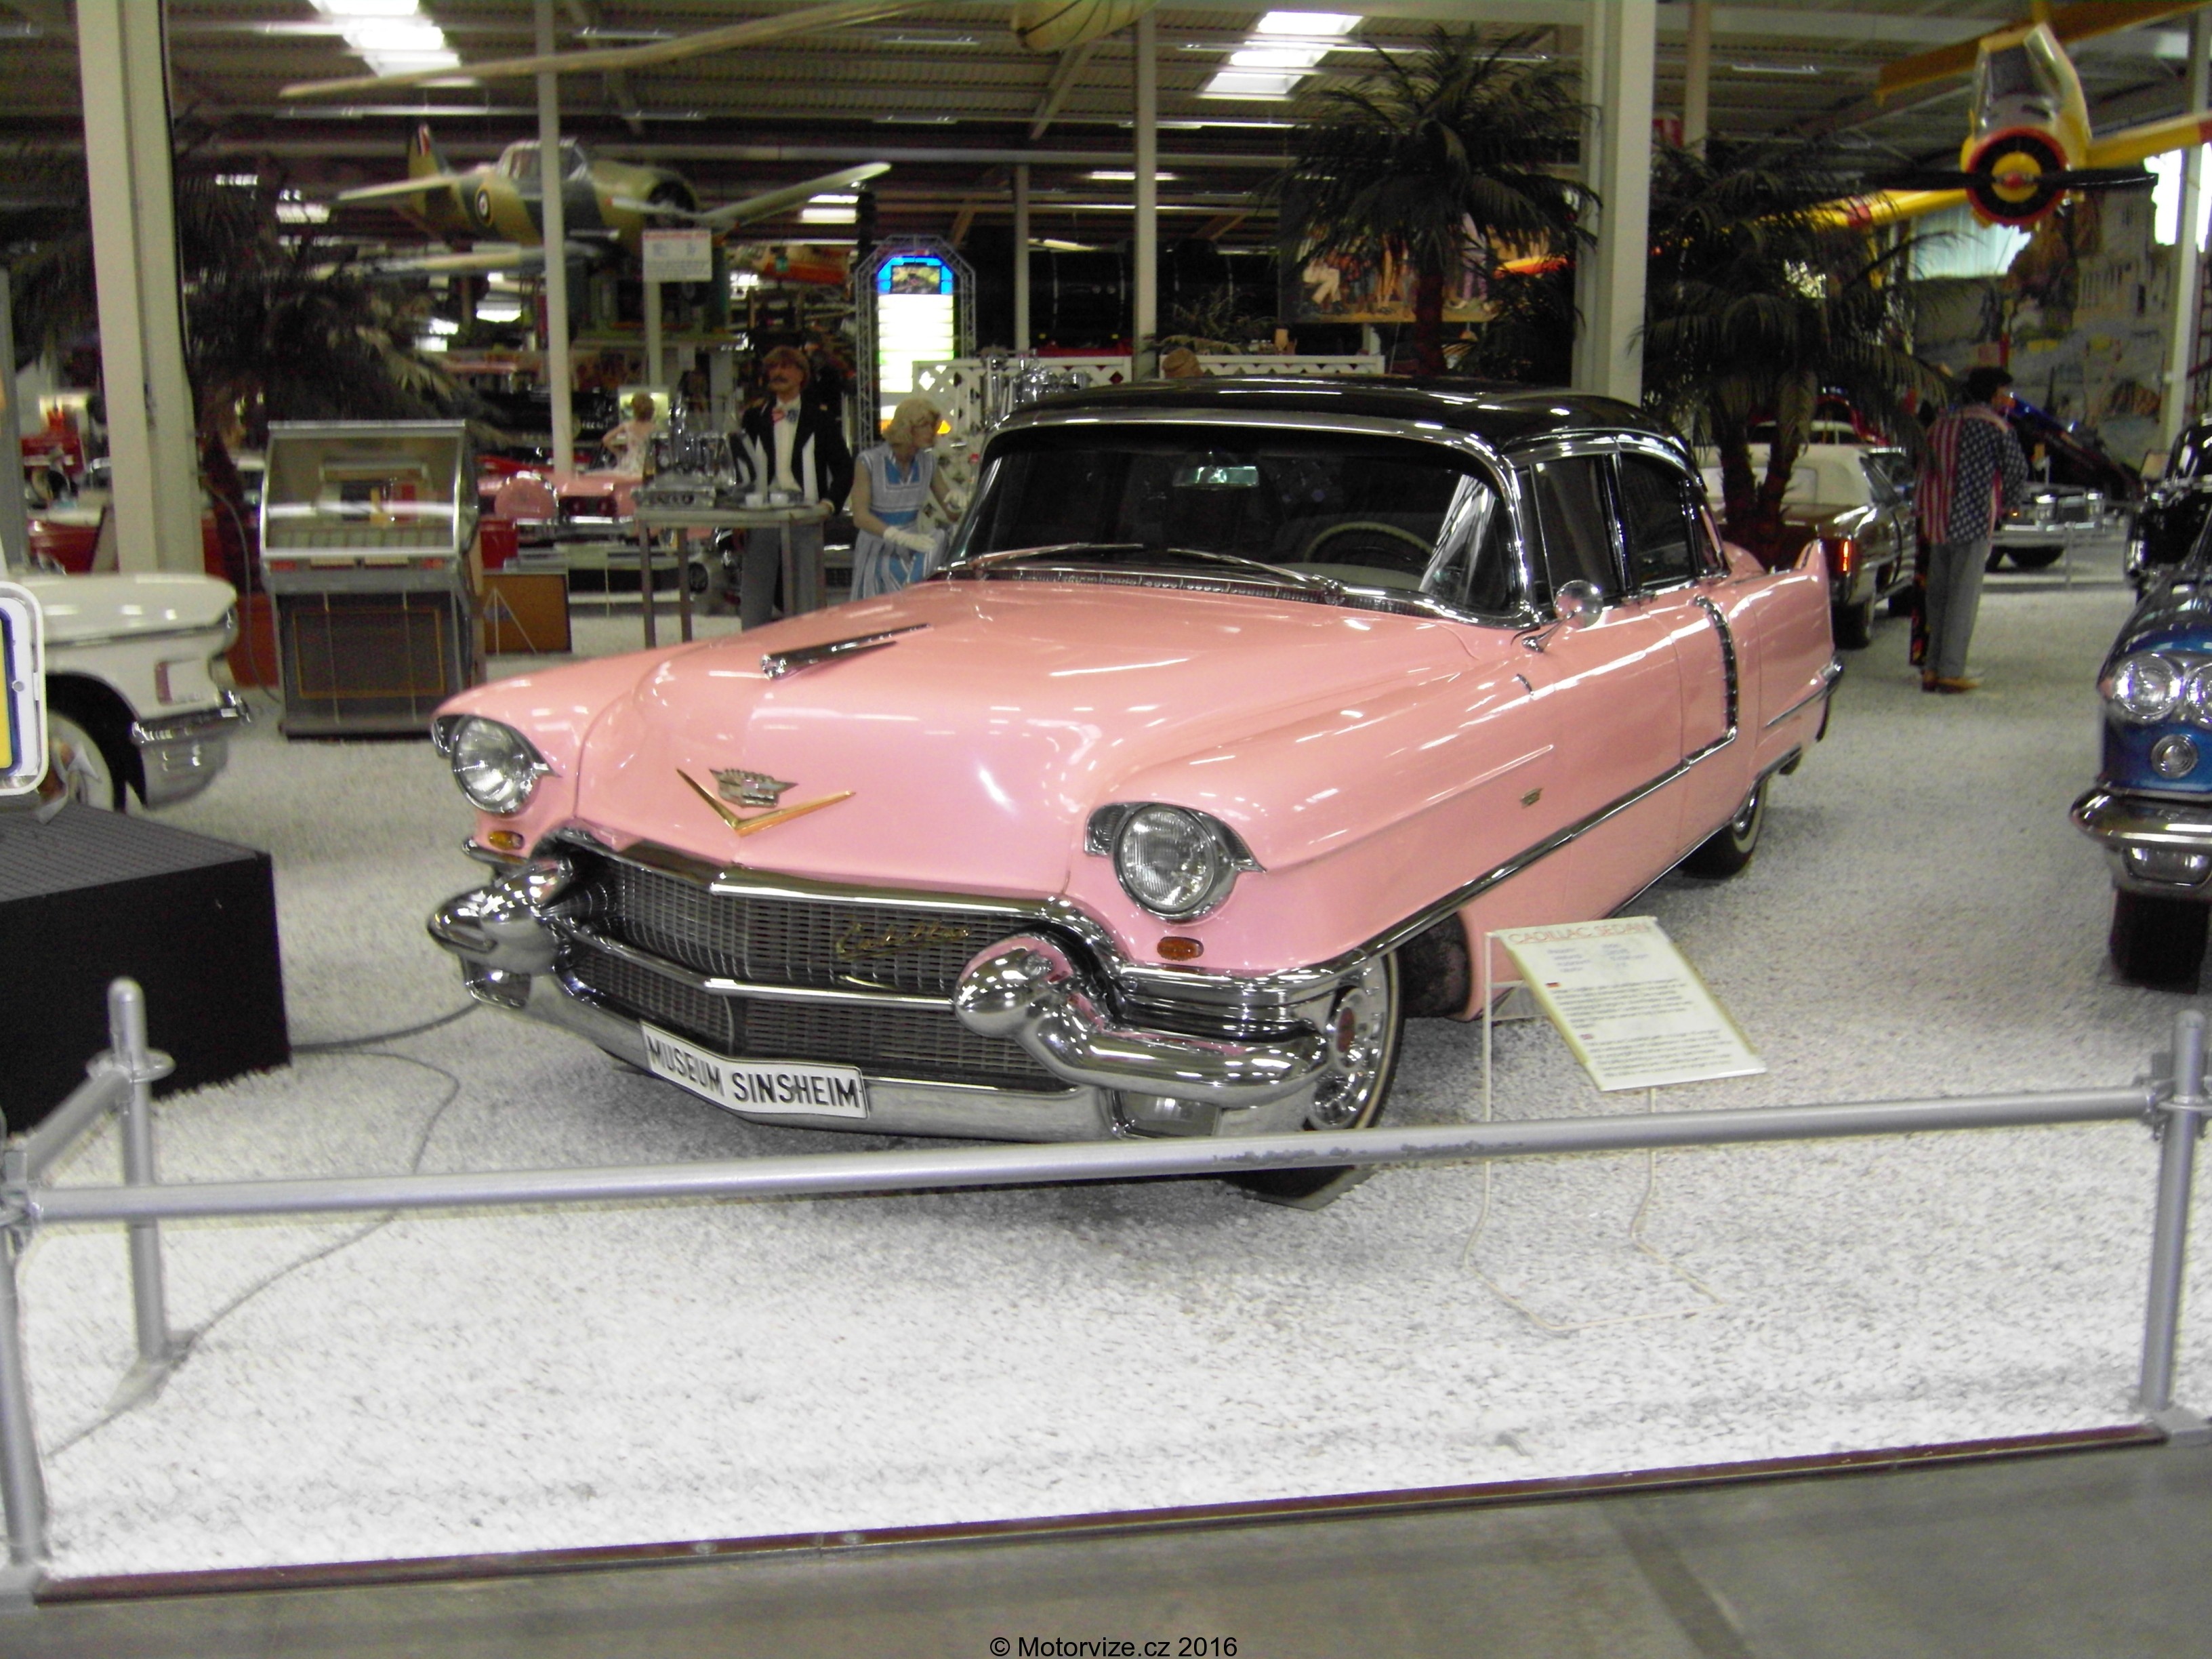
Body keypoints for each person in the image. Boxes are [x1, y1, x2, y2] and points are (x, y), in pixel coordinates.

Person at [1913, 366, 2030, 693]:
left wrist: (1922, 509)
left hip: (1935, 521)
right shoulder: (1995, 427)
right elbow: (2016, 470)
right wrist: (2010, 505)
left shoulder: (1940, 425)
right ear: (1992, 393)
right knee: (1963, 598)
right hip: (1973, 521)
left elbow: (1921, 469)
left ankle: (1932, 668)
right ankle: (1951, 670)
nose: (2007, 398)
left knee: (1938, 598)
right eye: (2004, 392)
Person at [732, 345, 853, 628]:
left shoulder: (821, 419)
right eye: (773, 368)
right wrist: (739, 517)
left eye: (786, 367)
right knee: (755, 592)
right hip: (762, 515)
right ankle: (753, 644)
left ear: (802, 375)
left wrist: (828, 505)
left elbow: (845, 468)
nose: (778, 373)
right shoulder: (754, 418)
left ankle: (807, 642)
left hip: (805, 514)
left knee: (807, 593)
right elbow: (742, 471)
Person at [849, 395, 952, 599]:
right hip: (878, 548)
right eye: (923, 425)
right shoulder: (869, 461)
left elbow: (952, 513)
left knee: (939, 537)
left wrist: (958, 501)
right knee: (882, 605)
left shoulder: (928, 463)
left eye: (932, 425)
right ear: (907, 427)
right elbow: (860, 517)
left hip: (912, 549)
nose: (930, 431)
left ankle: (911, 590)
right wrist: (899, 537)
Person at [603, 392, 661, 478]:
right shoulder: (655, 428)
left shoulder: (627, 426)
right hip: (649, 464)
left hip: (630, 463)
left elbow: (606, 439)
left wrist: (618, 453)